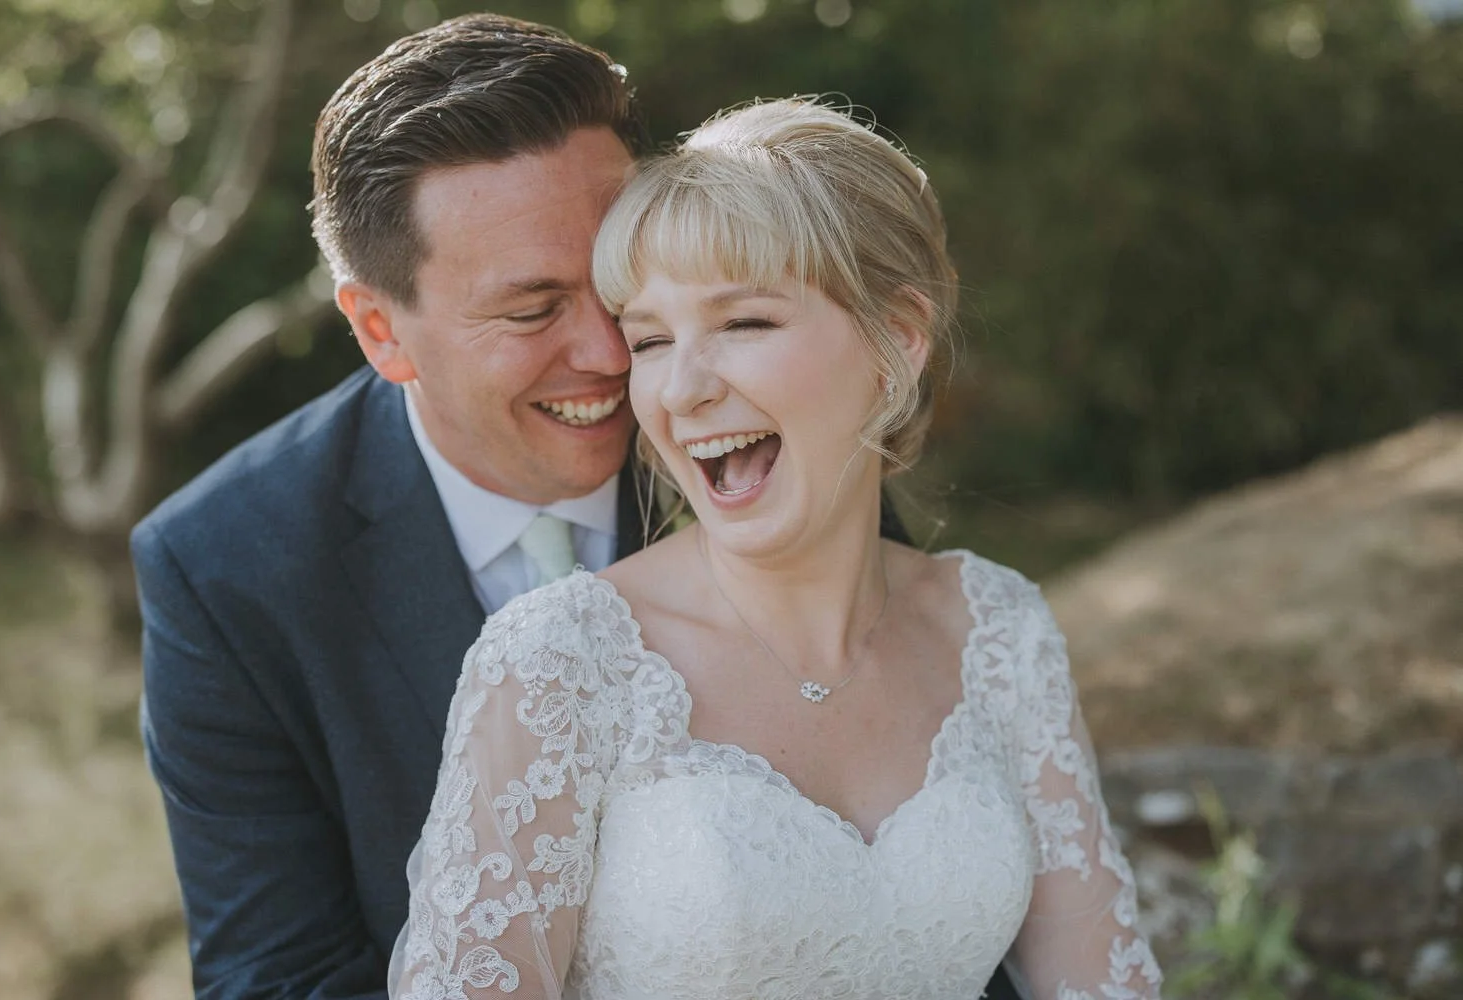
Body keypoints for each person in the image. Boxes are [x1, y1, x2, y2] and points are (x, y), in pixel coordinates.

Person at [133, 15, 1016, 1000]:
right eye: (532, 308)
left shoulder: (750, 430)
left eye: (617, 278)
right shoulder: (225, 567)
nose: (614, 354)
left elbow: (935, 836)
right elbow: (274, 980)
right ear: (383, 331)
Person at [390, 98, 1164, 1000]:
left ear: (898, 344)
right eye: (649, 340)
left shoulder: (998, 630)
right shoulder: (561, 665)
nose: (681, 390)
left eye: (743, 324)